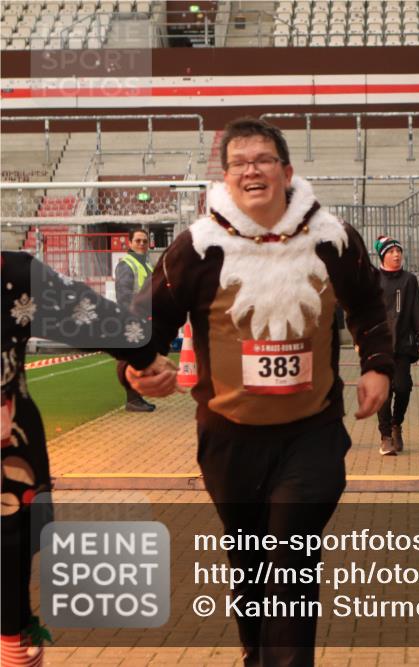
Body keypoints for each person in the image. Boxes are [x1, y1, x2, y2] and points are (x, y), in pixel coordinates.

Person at [126, 117, 392, 667]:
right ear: (225, 178)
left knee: (291, 558)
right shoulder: (197, 248)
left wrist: (377, 366)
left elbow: (368, 303)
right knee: (251, 565)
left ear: (286, 172)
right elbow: (144, 327)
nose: (252, 170)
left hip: (312, 435)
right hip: (229, 440)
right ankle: (256, 654)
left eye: (264, 159)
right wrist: (138, 371)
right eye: (239, 163)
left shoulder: (332, 239)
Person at [1, 252, 173, 666]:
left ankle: (14, 647)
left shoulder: (12, 276)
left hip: (10, 465)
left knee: (10, 590)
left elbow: (89, 313)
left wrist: (144, 357)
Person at [372, 235, 419, 456]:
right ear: (383, 256)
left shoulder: (409, 280)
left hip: (403, 345)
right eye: (391, 252)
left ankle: (397, 424)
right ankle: (386, 437)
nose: (396, 255)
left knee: (403, 387)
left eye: (399, 251)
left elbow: (417, 310)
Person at [115, 228, 157, 412]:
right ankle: (132, 399)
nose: (141, 244)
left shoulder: (146, 264)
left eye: (144, 241)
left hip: (143, 317)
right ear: (130, 243)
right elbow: (123, 295)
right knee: (129, 359)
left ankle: (136, 397)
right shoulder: (127, 264)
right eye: (138, 240)